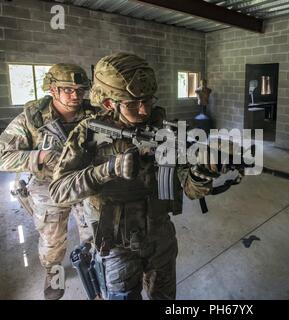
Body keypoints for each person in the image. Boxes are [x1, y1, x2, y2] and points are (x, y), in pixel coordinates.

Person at [49, 53, 224, 300]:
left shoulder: (166, 130)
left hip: (161, 237)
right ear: (109, 103)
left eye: (148, 101)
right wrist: (107, 170)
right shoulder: (88, 134)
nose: (143, 110)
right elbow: (58, 191)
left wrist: (202, 172)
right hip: (116, 245)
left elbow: (190, 189)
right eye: (132, 104)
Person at [0, 63, 96, 300]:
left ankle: (91, 271)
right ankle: (54, 276)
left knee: (93, 234)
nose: (75, 95)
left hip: (84, 183)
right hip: (48, 187)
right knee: (52, 242)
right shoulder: (32, 118)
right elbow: (0, 158)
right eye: (67, 89)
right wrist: (39, 156)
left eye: (80, 90)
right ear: (52, 89)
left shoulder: (93, 116)